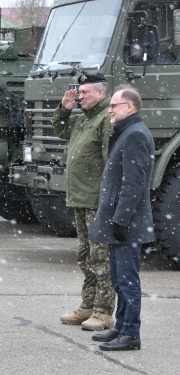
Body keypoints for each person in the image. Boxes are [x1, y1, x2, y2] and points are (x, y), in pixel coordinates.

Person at [89, 86, 154, 351]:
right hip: (120, 221)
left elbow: (133, 184)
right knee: (118, 279)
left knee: (127, 281)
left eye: (114, 105)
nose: (110, 110)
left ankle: (131, 334)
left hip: (127, 223)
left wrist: (121, 219)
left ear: (130, 107)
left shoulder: (135, 135)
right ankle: (120, 326)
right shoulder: (127, 132)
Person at [53, 73, 116, 331]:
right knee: (85, 256)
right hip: (80, 199)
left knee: (101, 258)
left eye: (85, 93)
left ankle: (104, 312)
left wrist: (106, 201)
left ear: (100, 93)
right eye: (79, 93)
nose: (80, 97)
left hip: (96, 201)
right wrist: (64, 110)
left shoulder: (105, 120)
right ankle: (88, 306)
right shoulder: (83, 119)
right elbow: (60, 130)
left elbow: (110, 164)